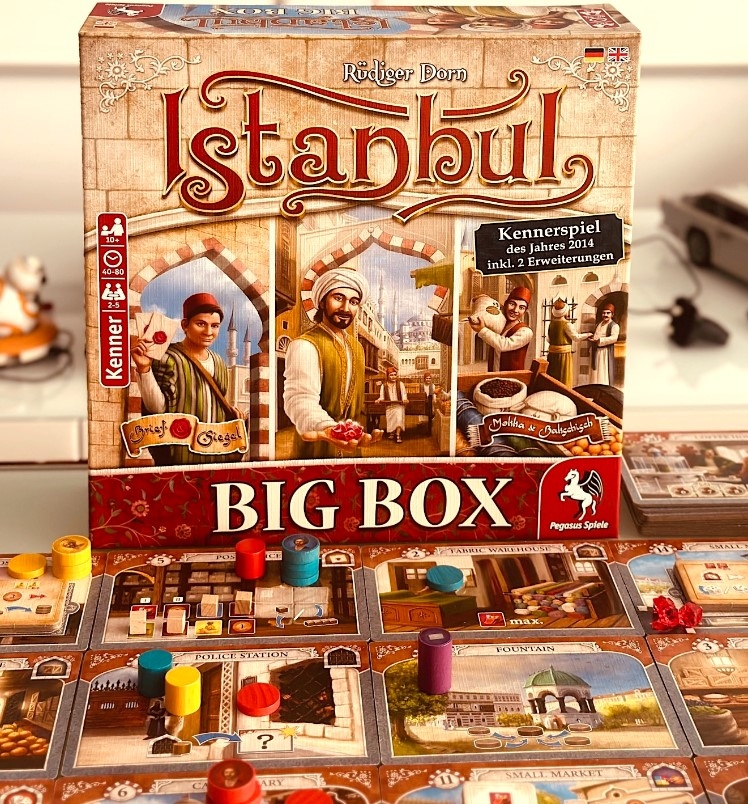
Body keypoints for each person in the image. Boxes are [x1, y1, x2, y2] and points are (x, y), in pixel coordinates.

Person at [131, 292, 244, 465]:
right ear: (185, 325)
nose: (208, 332)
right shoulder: (168, 357)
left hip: (215, 451)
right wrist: (144, 369)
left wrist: (233, 416)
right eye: (201, 324)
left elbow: (217, 405)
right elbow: (157, 409)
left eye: (214, 326)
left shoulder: (219, 362)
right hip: (179, 452)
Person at [283, 267, 381, 459]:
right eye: (338, 298)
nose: (346, 308)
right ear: (322, 301)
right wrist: (328, 428)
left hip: (352, 449)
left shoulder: (357, 348)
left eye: (353, 302)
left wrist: (350, 434)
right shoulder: (304, 345)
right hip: (316, 447)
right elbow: (299, 399)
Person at [469, 286, 533, 371]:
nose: (515, 310)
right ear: (506, 304)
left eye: (521, 308)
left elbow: (503, 345)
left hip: (512, 377)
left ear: (524, 311)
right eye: (512, 304)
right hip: (493, 374)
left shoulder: (525, 332)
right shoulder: (500, 323)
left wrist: (482, 330)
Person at [546, 298, 590, 386]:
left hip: (552, 354)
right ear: (565, 311)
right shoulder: (567, 324)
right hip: (564, 355)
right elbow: (576, 337)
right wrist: (588, 334)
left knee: (553, 376)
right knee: (563, 377)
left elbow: (548, 339)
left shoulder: (551, 323)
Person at [588, 303, 620, 386]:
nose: (605, 315)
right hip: (596, 351)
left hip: (605, 352)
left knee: (602, 371)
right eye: (603, 313)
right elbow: (596, 335)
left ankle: (603, 388)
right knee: (594, 372)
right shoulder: (599, 324)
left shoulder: (614, 326)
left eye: (608, 313)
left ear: (612, 314)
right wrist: (592, 338)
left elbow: (614, 338)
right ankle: (594, 387)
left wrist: (600, 340)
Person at [378, 366, 409, 443]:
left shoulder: (400, 384)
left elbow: (404, 394)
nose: (393, 377)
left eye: (395, 375)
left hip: (399, 405)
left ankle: (398, 435)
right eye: (391, 375)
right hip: (390, 406)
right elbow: (382, 397)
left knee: (399, 419)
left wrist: (404, 399)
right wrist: (379, 400)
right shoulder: (384, 386)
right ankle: (392, 432)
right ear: (387, 376)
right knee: (391, 420)